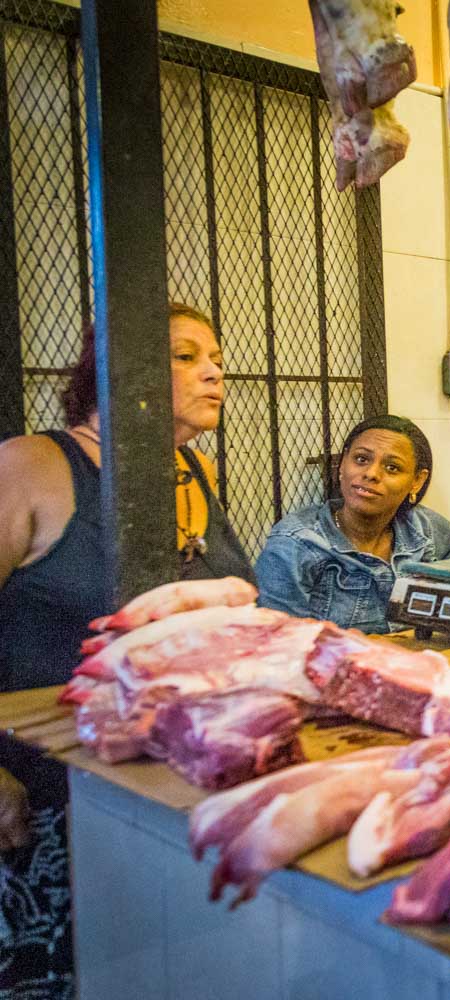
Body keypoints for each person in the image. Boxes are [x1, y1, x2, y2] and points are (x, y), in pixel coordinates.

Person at [0, 302, 258, 998]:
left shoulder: (190, 474)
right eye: (185, 355)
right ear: (116, 368)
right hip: (41, 802)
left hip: (160, 798)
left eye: (217, 359)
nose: (214, 373)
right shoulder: (32, 465)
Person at [255, 414, 450, 634]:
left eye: (392, 467)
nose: (371, 473)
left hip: (423, 670)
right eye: (361, 459)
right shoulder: (295, 544)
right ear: (342, 466)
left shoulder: (423, 527)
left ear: (417, 481)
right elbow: (277, 646)